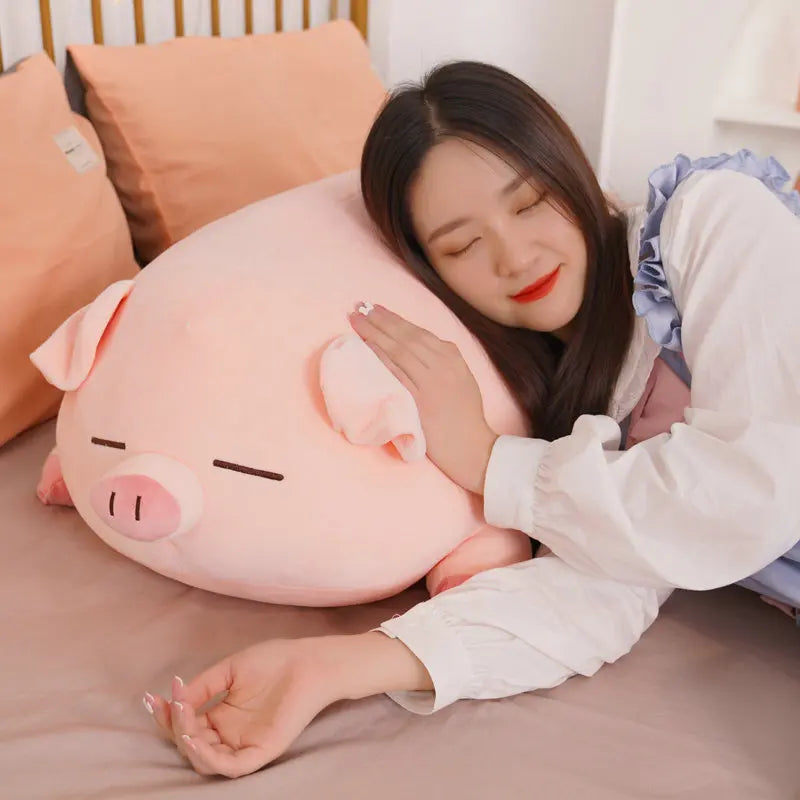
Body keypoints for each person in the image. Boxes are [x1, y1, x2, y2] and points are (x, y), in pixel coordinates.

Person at [143, 61, 800, 778]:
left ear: (571, 170)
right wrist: (330, 666)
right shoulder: (570, 405)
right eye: (461, 246)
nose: (515, 257)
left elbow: (749, 492)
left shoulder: (713, 218)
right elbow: (595, 588)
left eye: (531, 203)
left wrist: (491, 463)